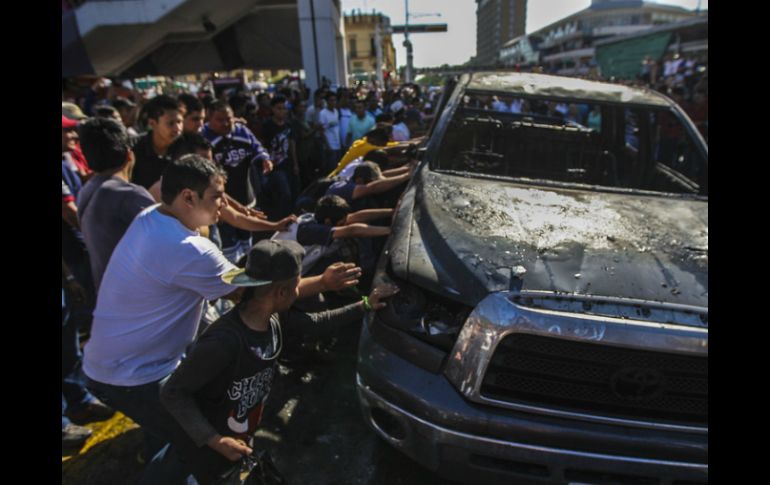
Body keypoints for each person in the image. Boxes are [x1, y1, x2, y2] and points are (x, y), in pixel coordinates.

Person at [83, 155, 360, 481]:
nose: (225, 205)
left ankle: (154, 447)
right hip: (132, 375)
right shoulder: (190, 250)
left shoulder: (153, 215)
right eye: (217, 196)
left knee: (165, 427)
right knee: (197, 440)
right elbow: (265, 293)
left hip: (111, 360)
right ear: (188, 197)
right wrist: (325, 283)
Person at [160, 239, 396, 485]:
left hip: (240, 434)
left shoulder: (274, 319)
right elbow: (173, 392)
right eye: (296, 286)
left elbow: (316, 322)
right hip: (210, 447)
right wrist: (214, 440)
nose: (299, 291)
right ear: (280, 292)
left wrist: (366, 304)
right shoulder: (223, 342)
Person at [77, 117, 156, 292]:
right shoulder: (130, 195)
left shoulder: (86, 191)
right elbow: (168, 246)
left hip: (108, 301)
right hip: (141, 302)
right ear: (129, 154)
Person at [203, 100, 274, 263]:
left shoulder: (242, 131)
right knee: (229, 249)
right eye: (219, 120)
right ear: (209, 119)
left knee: (247, 243)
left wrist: (264, 159)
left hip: (246, 198)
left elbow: (258, 147)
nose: (226, 123)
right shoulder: (203, 140)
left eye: (228, 118)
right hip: (222, 205)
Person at [131, 95, 183, 190]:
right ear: (152, 123)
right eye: (170, 123)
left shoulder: (185, 148)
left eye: (179, 122)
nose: (177, 128)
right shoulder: (134, 150)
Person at [319, 92, 342, 173]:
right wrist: (327, 146)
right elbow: (321, 131)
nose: (333, 102)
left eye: (335, 100)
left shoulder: (336, 111)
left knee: (339, 167)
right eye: (331, 100)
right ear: (327, 101)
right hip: (330, 145)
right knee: (331, 169)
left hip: (338, 145)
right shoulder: (322, 113)